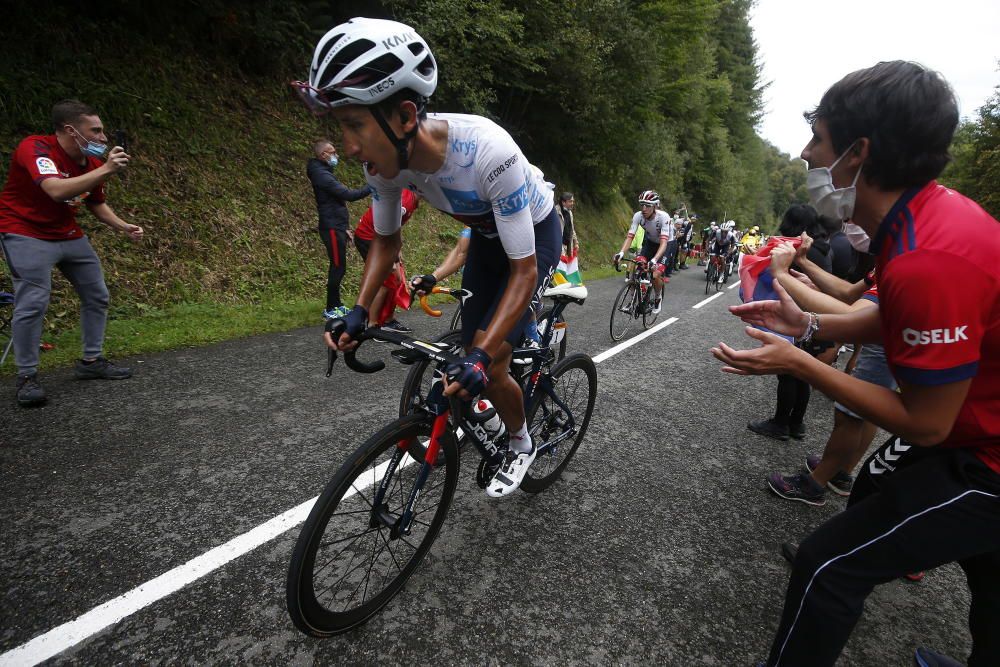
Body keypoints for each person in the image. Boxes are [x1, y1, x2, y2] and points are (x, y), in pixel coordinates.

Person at [714, 61, 1000, 667]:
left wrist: (802, 362)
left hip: (985, 454)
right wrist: (812, 325)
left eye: (817, 137)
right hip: (977, 427)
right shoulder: (922, 216)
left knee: (828, 564)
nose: (805, 151)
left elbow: (925, 425)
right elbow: (893, 313)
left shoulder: (929, 256)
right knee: (910, 511)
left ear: (857, 153)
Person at [296, 17, 562, 498]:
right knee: (471, 348)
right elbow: (386, 242)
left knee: (491, 362)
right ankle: (496, 400)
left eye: (355, 125)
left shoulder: (487, 152)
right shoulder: (384, 164)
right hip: (486, 238)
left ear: (402, 116)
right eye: (342, 127)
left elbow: (523, 270)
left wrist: (481, 357)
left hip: (535, 239)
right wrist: (358, 310)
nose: (350, 145)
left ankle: (522, 443)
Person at [0, 99, 143, 407]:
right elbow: (55, 189)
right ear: (70, 130)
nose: (103, 138)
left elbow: (95, 201)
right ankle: (26, 377)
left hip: (67, 233)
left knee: (97, 293)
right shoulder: (36, 149)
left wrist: (124, 226)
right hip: (24, 232)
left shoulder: (90, 163)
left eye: (103, 131)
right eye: (96, 131)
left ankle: (91, 362)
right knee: (33, 302)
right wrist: (106, 168)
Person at [306, 139, 371, 320]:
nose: (336, 156)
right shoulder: (321, 175)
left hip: (336, 226)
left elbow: (336, 203)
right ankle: (331, 308)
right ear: (323, 155)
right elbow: (347, 195)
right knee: (337, 267)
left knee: (339, 266)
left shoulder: (323, 171)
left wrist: (345, 228)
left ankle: (337, 305)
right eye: (332, 152)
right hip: (331, 227)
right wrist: (372, 186)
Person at [353, 188, 421, 331]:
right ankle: (373, 324)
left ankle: (384, 319)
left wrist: (398, 250)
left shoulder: (412, 198)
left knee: (392, 280)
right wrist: (393, 258)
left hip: (379, 237)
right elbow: (386, 228)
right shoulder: (406, 201)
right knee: (386, 281)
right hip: (369, 236)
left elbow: (396, 225)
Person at [613, 190, 670, 314]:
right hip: (649, 243)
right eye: (642, 205)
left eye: (648, 205)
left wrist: (654, 260)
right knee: (638, 264)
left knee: (655, 274)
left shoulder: (663, 217)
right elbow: (630, 236)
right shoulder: (638, 216)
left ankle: (658, 297)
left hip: (666, 245)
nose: (644, 208)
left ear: (655, 206)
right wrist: (621, 253)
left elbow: (664, 243)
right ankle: (632, 301)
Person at [558, 192, 578, 256]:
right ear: (563, 202)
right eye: (570, 201)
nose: (572, 203)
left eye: (573, 201)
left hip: (567, 246)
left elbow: (572, 229)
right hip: (558, 246)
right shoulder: (556, 212)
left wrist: (576, 242)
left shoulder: (570, 213)